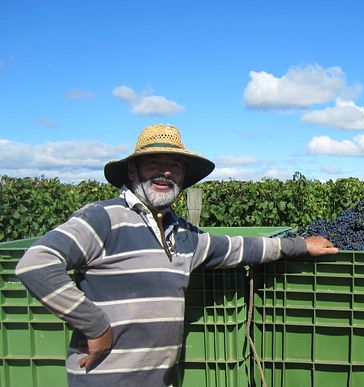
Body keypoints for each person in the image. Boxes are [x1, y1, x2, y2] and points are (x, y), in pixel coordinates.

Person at [15, 124, 339, 386]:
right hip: (107, 379)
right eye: (154, 163)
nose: (165, 173)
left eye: (174, 166)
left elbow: (238, 247)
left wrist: (300, 245)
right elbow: (36, 264)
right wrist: (95, 325)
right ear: (132, 171)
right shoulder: (104, 218)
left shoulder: (183, 234)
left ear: (183, 177)